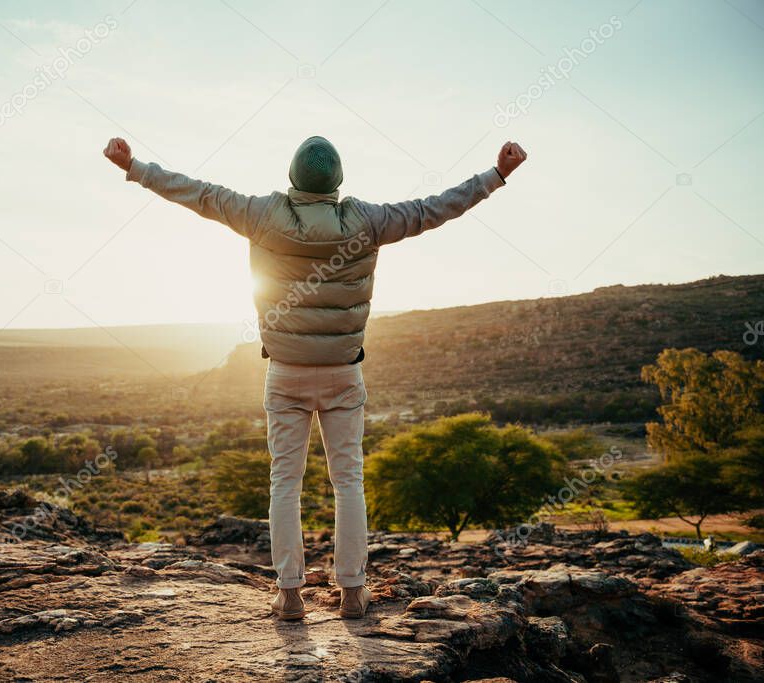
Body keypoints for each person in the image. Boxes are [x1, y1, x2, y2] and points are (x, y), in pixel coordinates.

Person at [104, 134, 527, 620]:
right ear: (339, 183)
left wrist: (134, 166)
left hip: (285, 373)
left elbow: (196, 193)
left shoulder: (262, 213)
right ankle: (352, 593)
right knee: (348, 482)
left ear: (291, 179)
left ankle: (289, 595)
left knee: (285, 482)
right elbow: (436, 208)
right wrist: (496, 176)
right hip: (344, 375)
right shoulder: (369, 220)